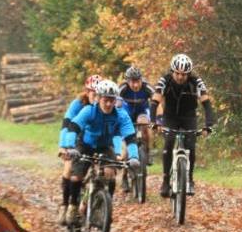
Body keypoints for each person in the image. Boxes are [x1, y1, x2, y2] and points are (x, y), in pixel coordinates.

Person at [65, 80, 142, 222]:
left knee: (110, 175)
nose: (108, 104)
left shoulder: (121, 115)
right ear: (99, 98)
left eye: (111, 101)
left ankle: (103, 208)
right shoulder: (89, 111)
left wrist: (134, 157)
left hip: (105, 146)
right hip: (85, 144)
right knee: (77, 177)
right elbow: (74, 126)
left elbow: (130, 137)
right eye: (105, 100)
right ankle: (72, 206)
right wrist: (70, 147)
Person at [150, 54, 216, 198]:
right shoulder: (165, 80)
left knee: (191, 146)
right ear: (172, 71)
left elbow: (207, 104)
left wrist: (208, 125)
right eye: (177, 73)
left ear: (189, 73)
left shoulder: (196, 82)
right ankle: (166, 181)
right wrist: (154, 122)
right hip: (170, 116)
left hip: (188, 117)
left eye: (184, 74)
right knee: (168, 143)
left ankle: (190, 180)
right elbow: (155, 102)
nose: (180, 77)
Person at [56, 74, 102, 225]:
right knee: (70, 167)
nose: (96, 98)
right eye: (93, 94)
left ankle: (92, 207)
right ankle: (65, 206)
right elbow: (67, 124)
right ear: (87, 92)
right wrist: (64, 146)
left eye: (98, 94)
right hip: (75, 138)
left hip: (95, 140)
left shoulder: (103, 105)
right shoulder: (77, 104)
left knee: (101, 173)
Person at [118, 65, 156, 163]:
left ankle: (148, 151)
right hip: (127, 112)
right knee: (125, 133)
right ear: (127, 81)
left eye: (137, 81)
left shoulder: (146, 87)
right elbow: (117, 105)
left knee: (145, 125)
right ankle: (124, 157)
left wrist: (158, 119)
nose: (135, 85)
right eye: (132, 82)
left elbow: (157, 102)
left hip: (142, 111)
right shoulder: (123, 88)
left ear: (141, 80)